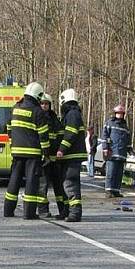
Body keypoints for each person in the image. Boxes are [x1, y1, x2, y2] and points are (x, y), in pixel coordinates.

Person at [3, 82, 50, 220]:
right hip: (32, 153)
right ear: (38, 95)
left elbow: (8, 127)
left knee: (14, 180)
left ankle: (8, 210)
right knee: (31, 181)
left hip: (17, 152)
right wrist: (46, 153)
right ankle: (29, 213)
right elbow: (43, 136)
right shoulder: (37, 112)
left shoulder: (15, 107)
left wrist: (13, 144)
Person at [56, 88, 87, 222]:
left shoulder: (72, 114)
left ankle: (75, 212)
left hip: (72, 155)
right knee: (66, 183)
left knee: (70, 183)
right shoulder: (72, 113)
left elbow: (71, 132)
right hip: (71, 155)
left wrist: (62, 149)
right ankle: (67, 210)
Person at [37, 93, 67, 219]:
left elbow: (60, 134)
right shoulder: (37, 117)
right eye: (42, 103)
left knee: (58, 186)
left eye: (47, 104)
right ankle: (43, 210)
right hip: (43, 158)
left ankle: (63, 210)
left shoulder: (54, 119)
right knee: (42, 186)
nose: (44, 106)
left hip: (55, 158)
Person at [101, 103, 131, 197]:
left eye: (122, 113)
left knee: (119, 173)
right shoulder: (109, 123)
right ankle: (109, 190)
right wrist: (105, 148)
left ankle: (116, 190)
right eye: (118, 113)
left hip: (122, 153)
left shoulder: (125, 126)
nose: (120, 115)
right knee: (111, 172)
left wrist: (130, 149)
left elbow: (128, 140)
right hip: (112, 152)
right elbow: (104, 136)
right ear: (115, 113)